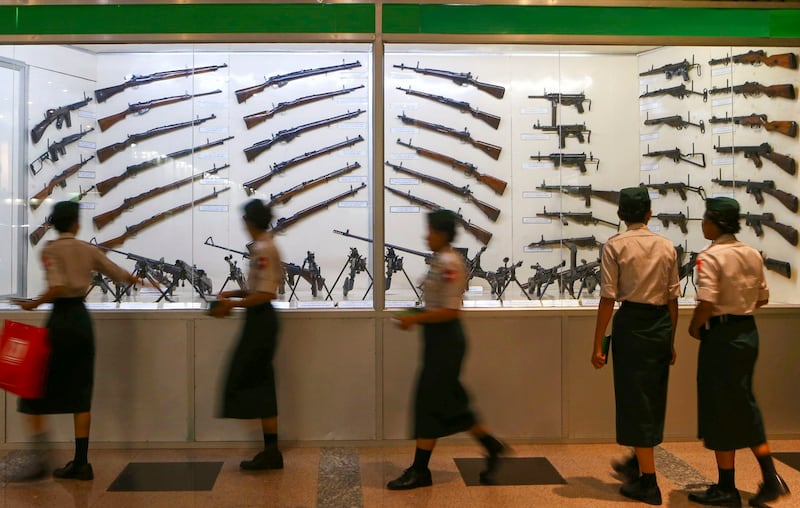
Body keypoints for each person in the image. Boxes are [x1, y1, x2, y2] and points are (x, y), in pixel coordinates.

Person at [10, 200, 137, 481]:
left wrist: (33, 304)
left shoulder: (51, 249)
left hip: (60, 322)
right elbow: (116, 271)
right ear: (77, 223)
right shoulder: (87, 249)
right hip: (81, 321)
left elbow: (56, 287)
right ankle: (81, 462)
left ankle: (41, 457)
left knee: (32, 390)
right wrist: (139, 281)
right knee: (81, 394)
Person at [387, 209, 505, 490]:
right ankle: (492, 446)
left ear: (441, 233)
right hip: (437, 341)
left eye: (430, 231)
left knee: (430, 403)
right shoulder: (441, 260)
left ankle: (420, 470)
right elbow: (436, 305)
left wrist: (415, 318)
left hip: (446, 342)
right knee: (451, 404)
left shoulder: (451, 262)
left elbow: (450, 311)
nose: (426, 236)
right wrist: (414, 312)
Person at [687, 197, 790, 507]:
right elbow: (762, 299)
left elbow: (707, 300)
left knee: (720, 408)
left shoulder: (711, 257)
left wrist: (695, 326)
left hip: (720, 336)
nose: (703, 224)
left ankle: (733, 485)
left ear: (716, 222)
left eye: (706, 219)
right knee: (743, 403)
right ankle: (760, 478)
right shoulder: (752, 254)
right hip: (746, 332)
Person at [591, 187, 680, 506]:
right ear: (649, 213)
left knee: (634, 398)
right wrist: (671, 339)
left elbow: (608, 297)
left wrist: (598, 342)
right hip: (658, 325)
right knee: (652, 397)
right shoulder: (667, 245)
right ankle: (639, 462)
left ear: (620, 214)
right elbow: (673, 299)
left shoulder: (615, 245)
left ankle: (649, 482)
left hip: (630, 324)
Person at [209, 199, 285, 471]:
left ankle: (271, 451)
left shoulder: (264, 249)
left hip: (261, 319)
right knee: (261, 382)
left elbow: (266, 294)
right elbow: (256, 289)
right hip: (259, 318)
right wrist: (234, 293)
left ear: (250, 222)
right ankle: (271, 450)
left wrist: (233, 304)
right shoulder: (263, 247)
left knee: (250, 379)